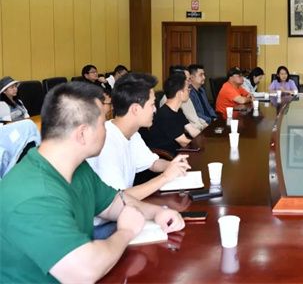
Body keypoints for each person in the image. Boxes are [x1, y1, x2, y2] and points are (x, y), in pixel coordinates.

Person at [0, 82, 184, 283]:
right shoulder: (34, 194)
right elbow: (85, 271)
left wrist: (158, 212)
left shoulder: (77, 168)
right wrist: (126, 232)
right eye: (103, 123)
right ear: (82, 133)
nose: (107, 129)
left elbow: (113, 203)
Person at [87, 73, 191, 237]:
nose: (155, 109)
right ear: (135, 109)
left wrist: (173, 165)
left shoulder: (132, 132)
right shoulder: (106, 141)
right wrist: (165, 177)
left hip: (124, 213)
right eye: (152, 104)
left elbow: (152, 163)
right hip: (102, 226)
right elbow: (118, 199)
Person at [141, 73, 200, 156]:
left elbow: (192, 131)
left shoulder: (178, 111)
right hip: (167, 156)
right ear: (180, 93)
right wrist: (202, 145)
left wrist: (205, 138)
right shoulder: (165, 114)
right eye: (187, 89)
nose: (189, 91)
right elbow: (183, 142)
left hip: (179, 152)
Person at [160, 66, 208, 132]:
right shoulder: (168, 100)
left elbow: (194, 117)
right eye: (188, 79)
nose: (190, 82)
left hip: (198, 130)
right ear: (178, 81)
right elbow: (180, 128)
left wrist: (205, 124)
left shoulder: (185, 96)